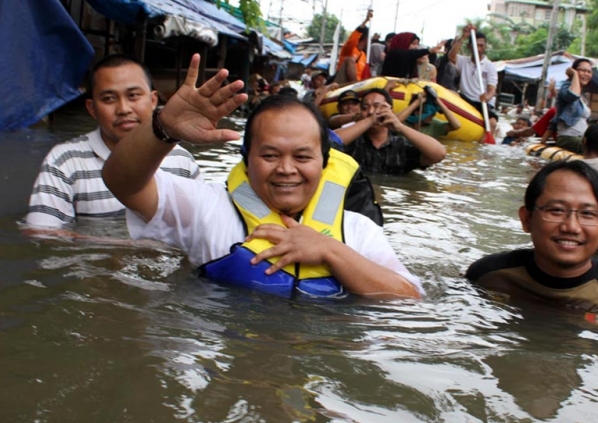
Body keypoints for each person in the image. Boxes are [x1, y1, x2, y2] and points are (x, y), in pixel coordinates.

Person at [100, 55, 422, 299]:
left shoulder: (357, 230)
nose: (285, 168)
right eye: (269, 155)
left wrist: (328, 250)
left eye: (302, 156)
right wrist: (162, 128)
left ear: (324, 163)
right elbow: (122, 183)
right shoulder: (206, 207)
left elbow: (409, 297)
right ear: (246, 158)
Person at [465, 160, 598, 319]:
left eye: (588, 214)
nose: (571, 227)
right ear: (527, 219)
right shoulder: (485, 276)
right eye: (556, 211)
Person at [24, 55, 202, 228]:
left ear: (153, 100)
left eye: (133, 95)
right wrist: (129, 249)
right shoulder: (65, 161)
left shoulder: (181, 161)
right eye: (109, 99)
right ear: (92, 109)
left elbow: (201, 226)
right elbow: (42, 233)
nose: (123, 109)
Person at [335, 88, 447, 175]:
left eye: (377, 106)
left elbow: (439, 154)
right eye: (365, 108)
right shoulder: (351, 141)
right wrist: (369, 120)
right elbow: (327, 142)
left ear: (390, 112)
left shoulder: (401, 146)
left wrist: (401, 127)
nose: (371, 111)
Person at [448, 25, 499, 135]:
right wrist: (464, 37)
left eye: (481, 45)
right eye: (476, 45)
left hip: (481, 102)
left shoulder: (489, 66)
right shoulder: (463, 61)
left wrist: (487, 97)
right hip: (465, 98)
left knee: (492, 122)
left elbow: (492, 89)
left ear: (485, 47)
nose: (479, 49)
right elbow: (451, 56)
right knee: (450, 93)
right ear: (470, 46)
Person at [549, 59, 594, 154]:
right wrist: (574, 74)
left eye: (589, 71)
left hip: (581, 138)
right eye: (582, 70)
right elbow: (573, 95)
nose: (586, 74)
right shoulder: (566, 88)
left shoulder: (583, 97)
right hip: (568, 138)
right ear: (574, 70)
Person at [396, 86, 461, 137]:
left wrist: (437, 100)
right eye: (430, 114)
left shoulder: (434, 125)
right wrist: (417, 103)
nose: (433, 115)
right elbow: (394, 123)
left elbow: (456, 125)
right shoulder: (403, 121)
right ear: (417, 113)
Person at [380, 32, 444, 79]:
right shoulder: (394, 54)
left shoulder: (411, 58)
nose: (416, 47)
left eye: (417, 44)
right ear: (404, 43)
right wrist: (429, 50)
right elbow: (408, 54)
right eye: (413, 44)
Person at [334, 10, 372, 84]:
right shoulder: (349, 48)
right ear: (366, 38)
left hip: (358, 85)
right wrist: (366, 21)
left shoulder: (364, 55)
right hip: (343, 82)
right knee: (350, 60)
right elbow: (352, 39)